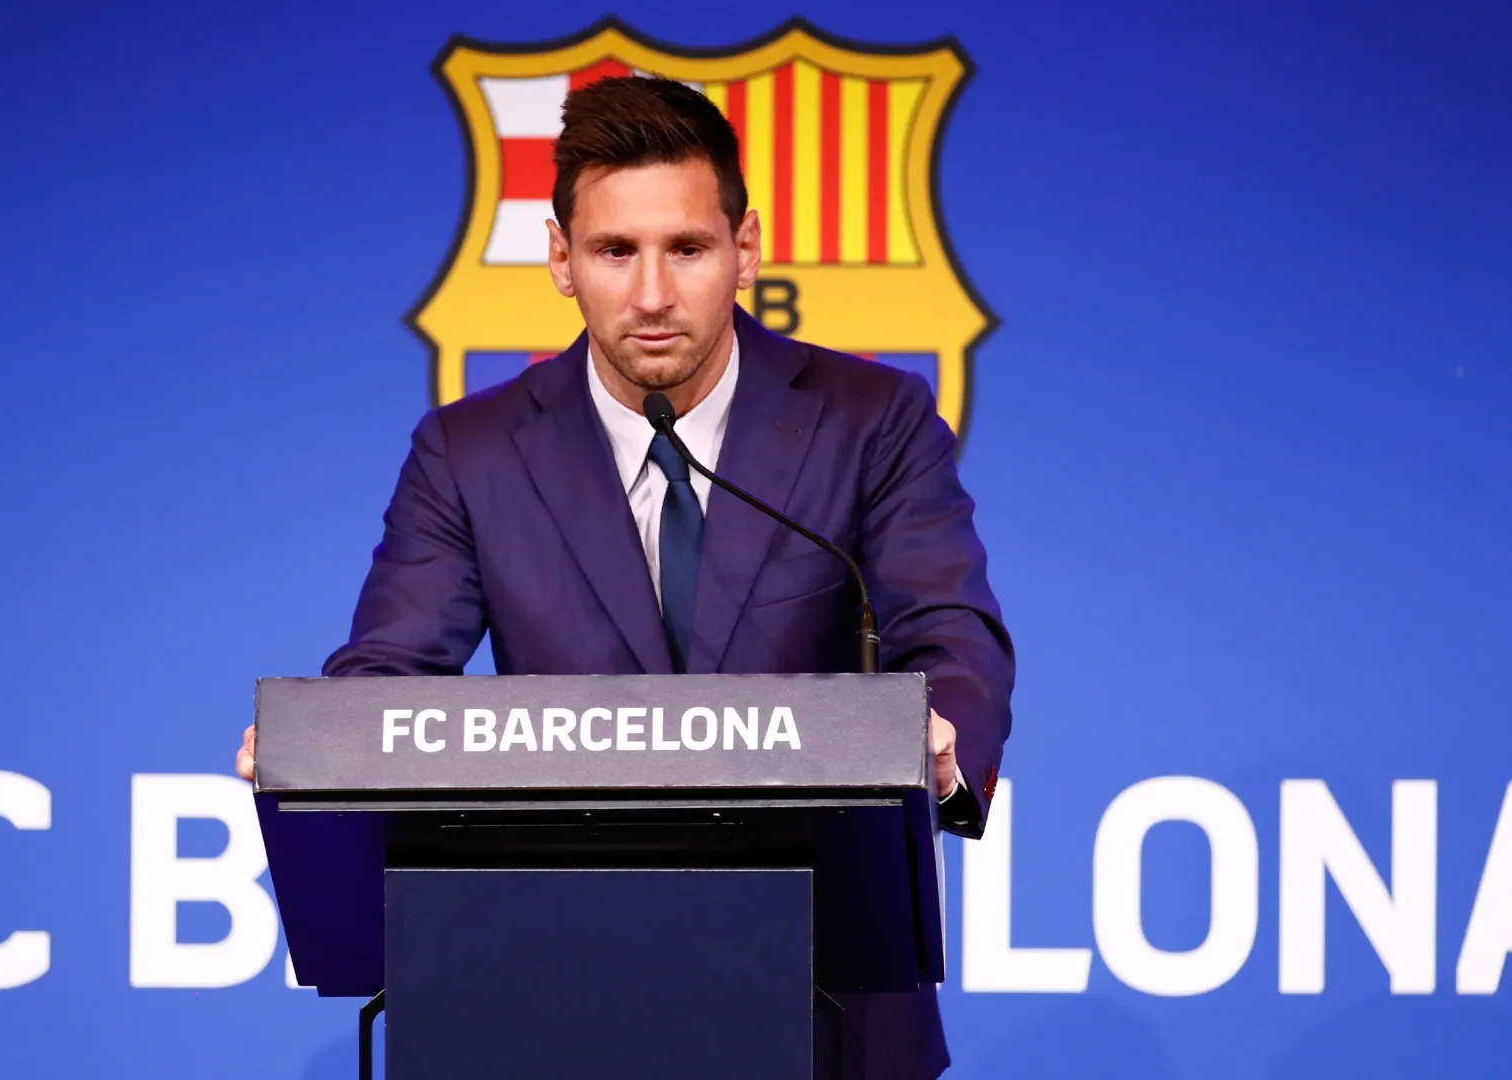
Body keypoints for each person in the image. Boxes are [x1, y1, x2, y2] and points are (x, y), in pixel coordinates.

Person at [236, 75, 1012, 1080]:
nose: (653, 295)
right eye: (615, 251)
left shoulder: (872, 419)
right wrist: (328, 753)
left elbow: (952, 629)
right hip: (551, 1004)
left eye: (687, 249)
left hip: (827, 1009)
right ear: (561, 258)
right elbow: (391, 668)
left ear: (748, 248)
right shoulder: (470, 452)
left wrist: (942, 735)